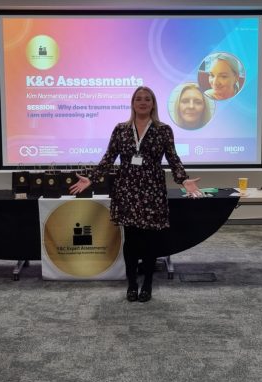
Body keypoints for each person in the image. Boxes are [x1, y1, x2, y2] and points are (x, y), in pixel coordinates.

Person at [69, 86, 202, 303]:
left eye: (147, 99)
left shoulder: (163, 130)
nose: (142, 102)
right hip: (127, 189)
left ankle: (148, 284)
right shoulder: (121, 129)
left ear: (153, 104)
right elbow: (109, 157)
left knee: (150, 240)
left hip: (152, 189)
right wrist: (91, 178)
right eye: (138, 99)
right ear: (132, 103)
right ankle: (132, 284)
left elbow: (173, 158)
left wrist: (183, 179)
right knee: (131, 240)